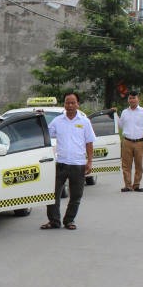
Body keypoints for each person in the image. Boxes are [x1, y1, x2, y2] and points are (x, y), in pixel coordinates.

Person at [40, 92, 96, 231]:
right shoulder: (58, 121)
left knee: (76, 195)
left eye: (72, 103)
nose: (70, 105)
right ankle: (54, 221)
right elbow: (45, 133)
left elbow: (89, 142)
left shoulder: (84, 121)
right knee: (53, 194)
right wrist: (39, 119)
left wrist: (89, 161)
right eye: (67, 102)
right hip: (61, 163)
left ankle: (69, 220)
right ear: (64, 104)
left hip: (78, 164)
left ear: (78, 104)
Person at [119, 90, 143, 192]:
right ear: (128, 100)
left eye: (134, 98)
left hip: (140, 142)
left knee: (139, 165)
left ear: (138, 99)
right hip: (127, 142)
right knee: (126, 165)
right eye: (130, 98)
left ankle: (136, 185)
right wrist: (115, 116)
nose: (132, 100)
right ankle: (128, 185)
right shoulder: (124, 112)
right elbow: (120, 125)